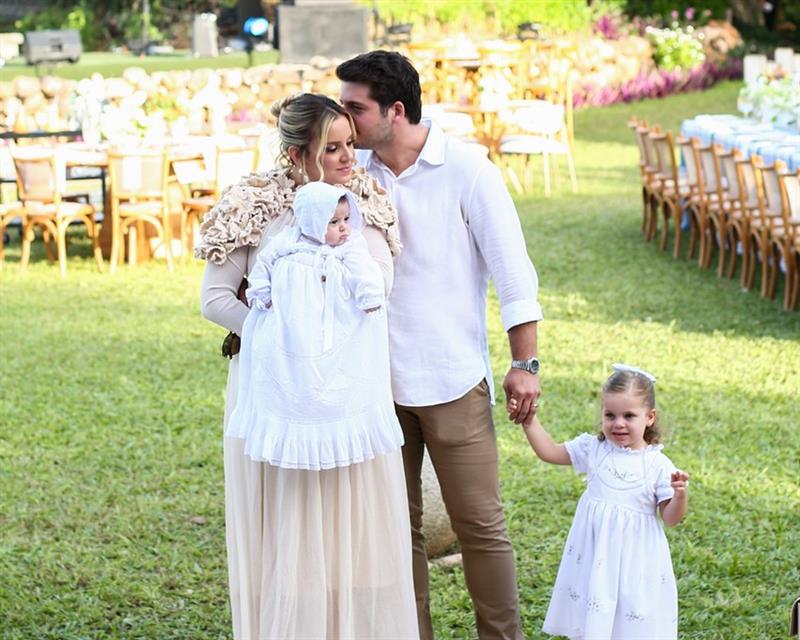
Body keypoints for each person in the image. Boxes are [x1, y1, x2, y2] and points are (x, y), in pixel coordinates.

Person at [337, 50, 542, 640]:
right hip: (373, 386)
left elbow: (514, 274)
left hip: (452, 378)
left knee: (481, 527)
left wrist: (524, 363)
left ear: (396, 111)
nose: (344, 121)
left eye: (355, 108)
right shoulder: (349, 172)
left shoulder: (468, 170)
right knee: (393, 534)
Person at [196, 93, 416, 640]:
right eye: (332, 147)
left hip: (349, 392)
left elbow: (380, 288)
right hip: (277, 390)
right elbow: (215, 299)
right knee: (287, 526)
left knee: (353, 534)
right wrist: (277, 339)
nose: (348, 158)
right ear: (296, 153)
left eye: (349, 144)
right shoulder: (254, 203)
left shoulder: (362, 200)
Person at [227, 180, 404, 471]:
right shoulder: (287, 241)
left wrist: (369, 297)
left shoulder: (350, 247)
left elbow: (364, 272)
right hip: (293, 333)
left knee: (339, 379)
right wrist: (261, 291)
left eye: (346, 219)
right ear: (312, 221)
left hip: (335, 333)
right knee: (288, 376)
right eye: (333, 222)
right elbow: (264, 265)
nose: (343, 227)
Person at [518, 364, 689, 640]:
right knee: (594, 614)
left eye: (629, 416)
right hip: (595, 556)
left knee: (629, 619)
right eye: (610, 415)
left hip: (635, 562)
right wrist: (529, 421)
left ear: (649, 417)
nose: (618, 423)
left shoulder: (657, 464)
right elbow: (549, 452)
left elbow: (670, 518)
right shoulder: (594, 449)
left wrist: (679, 495)